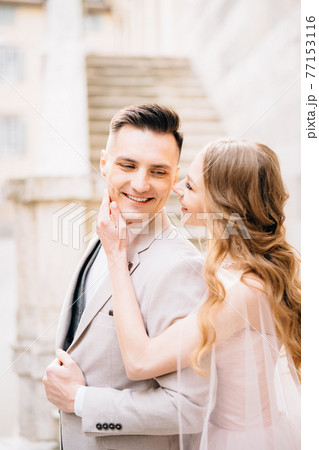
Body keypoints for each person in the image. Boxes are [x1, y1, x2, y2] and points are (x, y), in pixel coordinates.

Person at [97, 139, 301, 449]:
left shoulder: (246, 291)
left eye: (190, 186)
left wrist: (115, 255)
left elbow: (140, 361)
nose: (177, 189)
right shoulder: (229, 267)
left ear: (223, 204)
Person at [43, 104, 211, 450]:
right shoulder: (106, 230)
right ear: (104, 163)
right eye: (128, 165)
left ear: (175, 176)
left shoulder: (181, 268)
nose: (140, 184)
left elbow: (190, 408)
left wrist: (80, 400)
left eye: (158, 171)